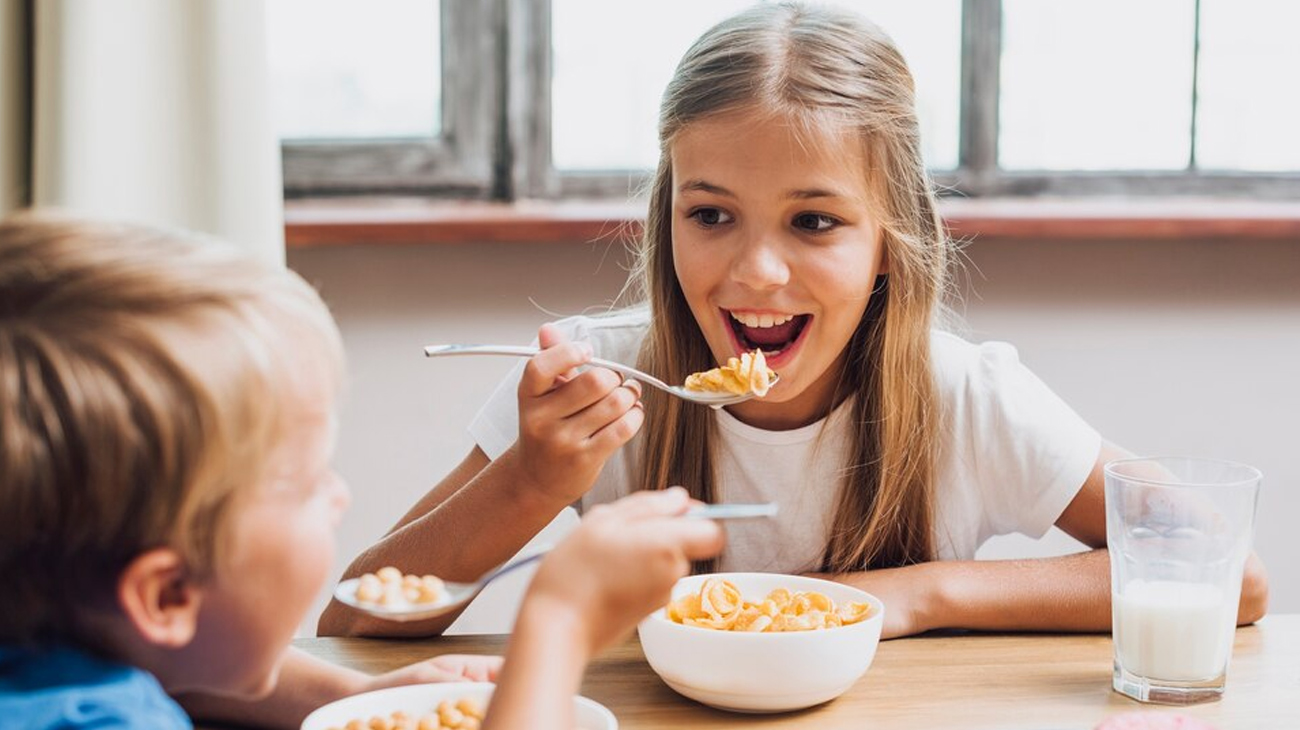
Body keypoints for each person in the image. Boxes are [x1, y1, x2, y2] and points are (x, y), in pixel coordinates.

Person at [319, 1, 1267, 641]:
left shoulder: (964, 397)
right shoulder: (593, 379)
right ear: (669, 218)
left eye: (814, 221)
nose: (755, 272)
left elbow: (1229, 574)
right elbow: (351, 624)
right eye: (711, 215)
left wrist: (912, 594)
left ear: (891, 241)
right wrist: (529, 481)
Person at [0, 212, 724, 730]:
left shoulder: (50, 646)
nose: (341, 494)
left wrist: (348, 697)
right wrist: (559, 624)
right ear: (165, 593)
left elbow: (168, 660)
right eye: (309, 481)